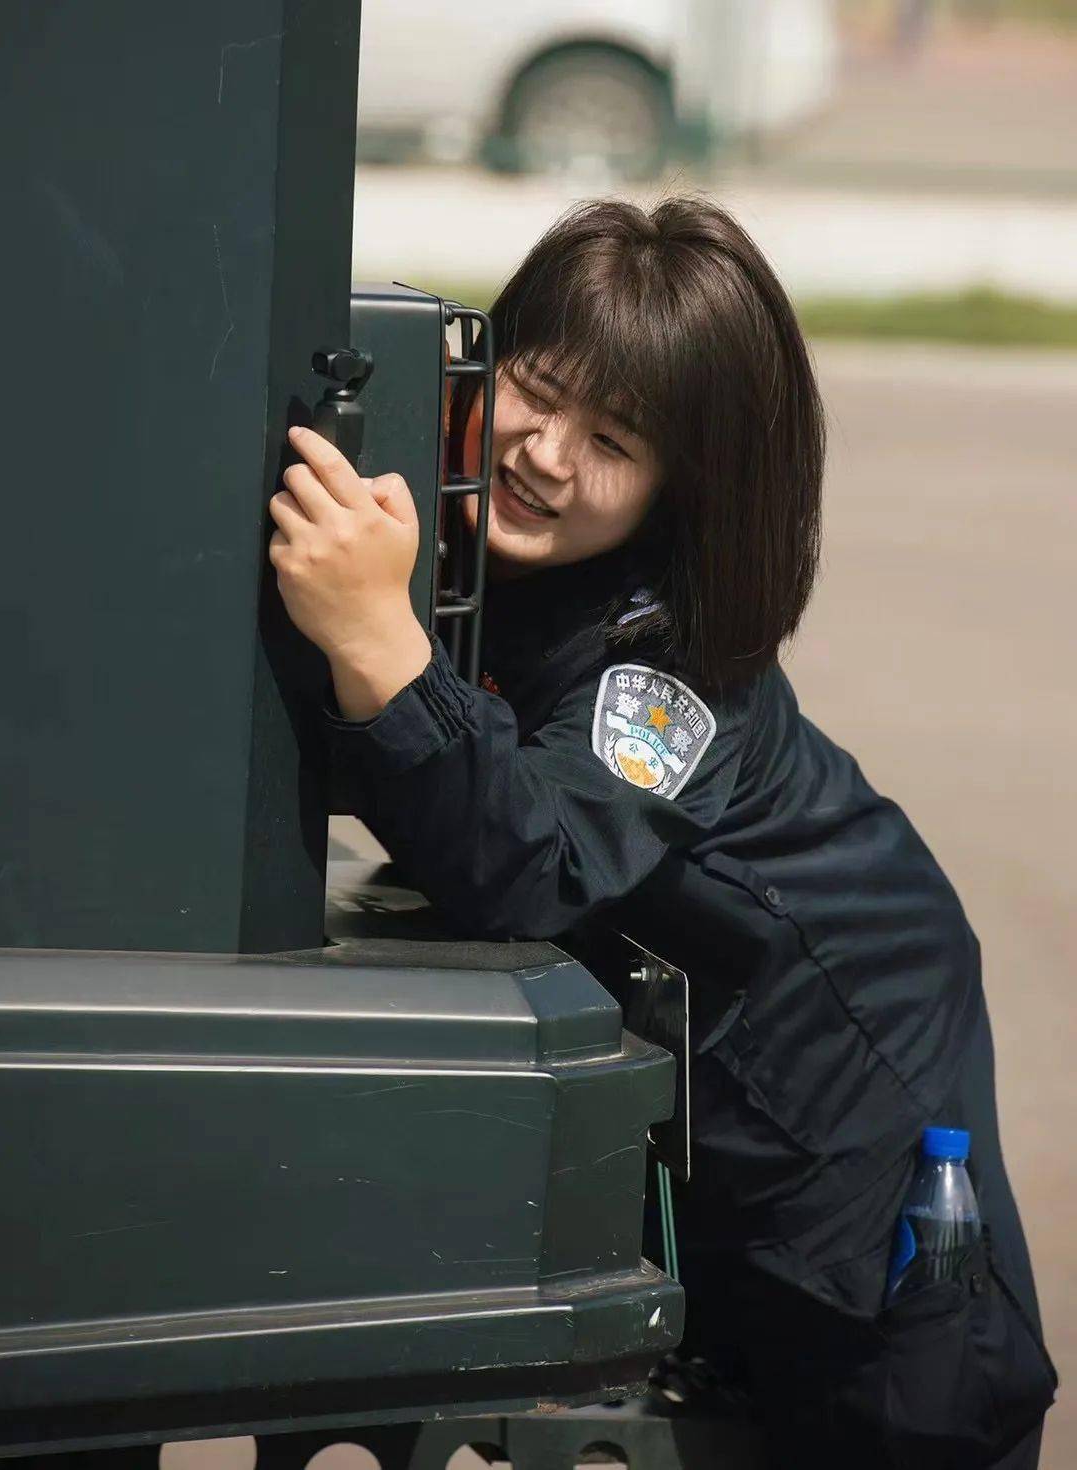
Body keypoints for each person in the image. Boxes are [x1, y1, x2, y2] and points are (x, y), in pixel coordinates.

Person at [266, 196, 1056, 1467]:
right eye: (537, 389)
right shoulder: (495, 567)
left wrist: (379, 644)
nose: (546, 455)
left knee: (902, 1400)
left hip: (856, 1108)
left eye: (614, 439)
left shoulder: (671, 671)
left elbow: (534, 859)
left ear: (685, 488)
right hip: (720, 1132)